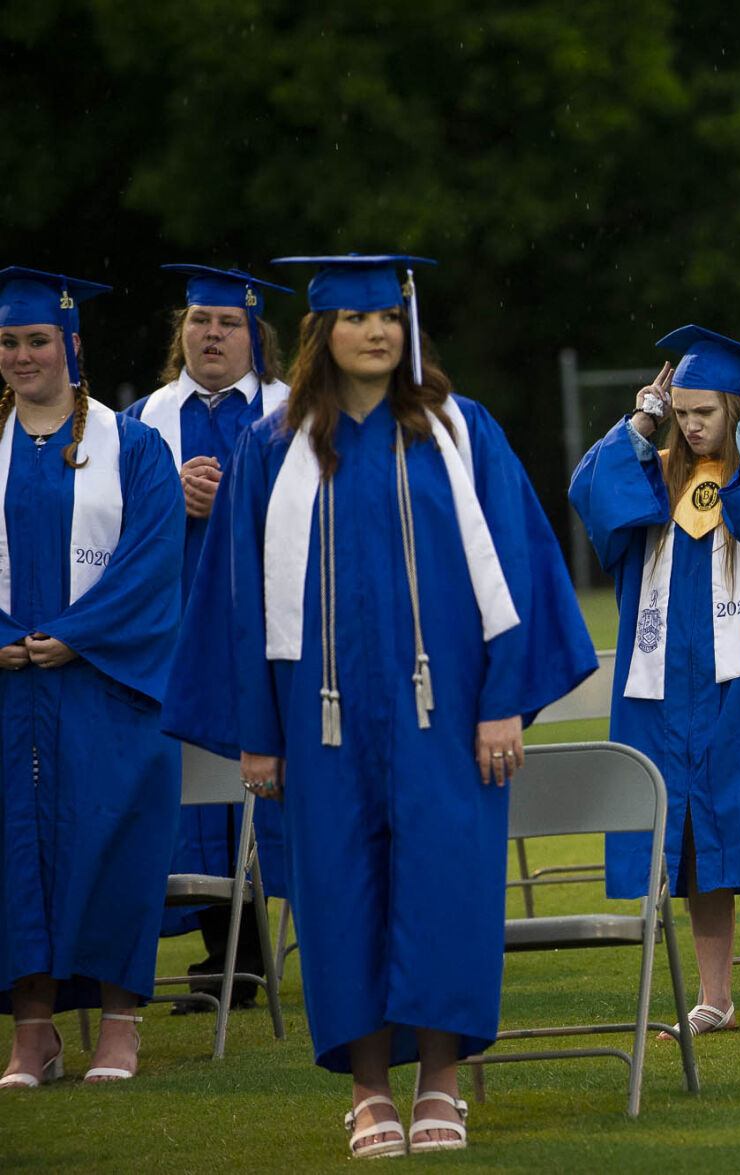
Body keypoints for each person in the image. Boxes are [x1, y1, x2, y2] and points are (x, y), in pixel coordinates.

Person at [160, 255, 597, 1157]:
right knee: (338, 893)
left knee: (448, 887)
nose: (375, 333)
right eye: (356, 320)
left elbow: (514, 569)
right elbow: (237, 596)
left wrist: (503, 703)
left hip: (449, 719)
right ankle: (369, 1093)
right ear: (324, 333)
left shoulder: (459, 431)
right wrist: (258, 734)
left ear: (407, 329)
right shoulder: (275, 446)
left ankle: (441, 1084)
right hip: (321, 725)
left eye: (389, 319)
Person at [570, 326, 740, 1039]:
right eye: (681, 411)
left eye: (704, 410)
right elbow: (588, 488)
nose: (691, 423)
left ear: (737, 408)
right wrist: (641, 417)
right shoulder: (653, 480)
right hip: (661, 693)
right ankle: (714, 995)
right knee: (686, 842)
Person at [0, 267, 183, 1087]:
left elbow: (153, 560)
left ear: (71, 344)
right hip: (9, 687)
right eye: (8, 341)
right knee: (12, 849)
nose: (21, 354)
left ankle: (119, 1024)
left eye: (36, 339)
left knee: (113, 838)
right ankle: (31, 1033)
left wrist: (76, 635)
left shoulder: (134, 445)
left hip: (108, 684)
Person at [127, 264, 293, 1012]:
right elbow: (109, 541)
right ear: (181, 333)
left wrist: (242, 501)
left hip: (270, 628)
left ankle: (275, 942)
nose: (214, 334)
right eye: (200, 321)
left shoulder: (298, 415)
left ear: (256, 335)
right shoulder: (143, 424)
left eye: (229, 323)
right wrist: (174, 501)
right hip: (183, 629)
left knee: (278, 779)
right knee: (196, 801)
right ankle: (222, 951)